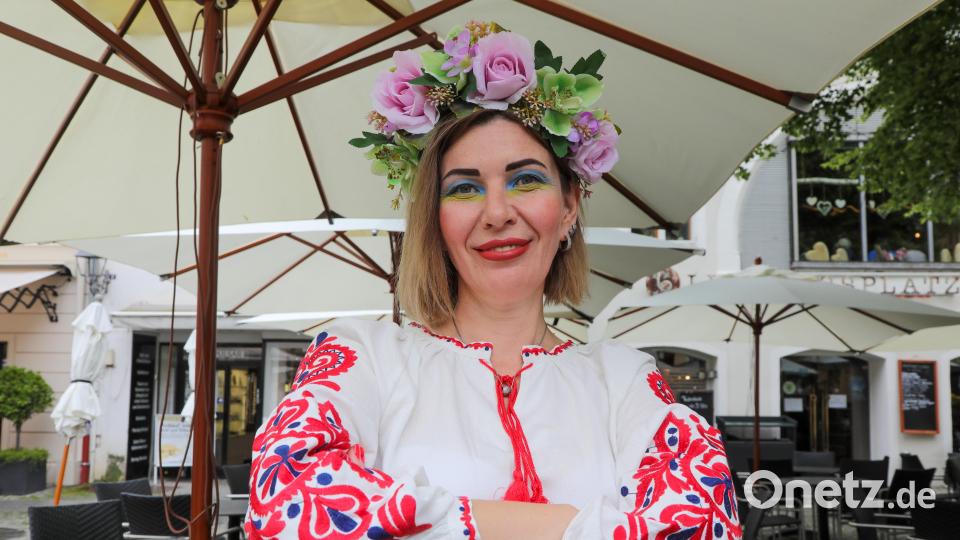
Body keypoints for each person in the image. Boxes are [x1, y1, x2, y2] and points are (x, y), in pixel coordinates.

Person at [246, 21, 740, 540]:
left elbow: (703, 522)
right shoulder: (365, 357)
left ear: (569, 206)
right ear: (435, 219)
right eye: (464, 189)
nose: (497, 212)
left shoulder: (621, 380)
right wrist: (584, 527)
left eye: (526, 180)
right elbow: (291, 501)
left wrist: (420, 519)